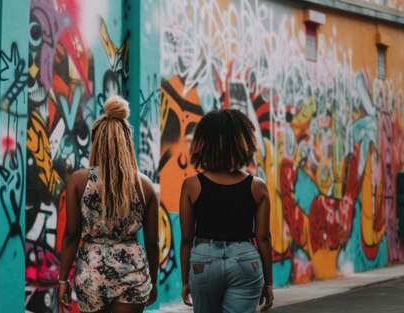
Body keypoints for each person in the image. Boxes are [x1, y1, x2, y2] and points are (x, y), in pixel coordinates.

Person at [57, 95, 159, 313]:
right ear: (127, 142)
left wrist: (63, 279)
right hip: (133, 273)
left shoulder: (78, 181)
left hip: (92, 275)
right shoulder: (145, 186)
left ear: (97, 142)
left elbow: (71, 234)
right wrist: (153, 281)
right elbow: (152, 242)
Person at [179, 109, 274, 313]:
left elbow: (187, 238)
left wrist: (185, 280)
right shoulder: (257, 187)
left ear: (202, 143)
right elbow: (264, 237)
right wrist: (268, 283)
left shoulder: (191, 185)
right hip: (245, 260)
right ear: (244, 143)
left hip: (203, 261)